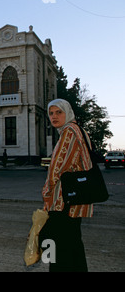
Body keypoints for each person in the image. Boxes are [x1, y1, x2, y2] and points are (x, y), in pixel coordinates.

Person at [40, 98, 93, 272]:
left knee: (60, 250)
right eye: (51, 113)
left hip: (63, 202)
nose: (54, 117)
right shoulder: (80, 131)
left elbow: (57, 168)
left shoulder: (69, 131)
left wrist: (47, 194)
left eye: (59, 112)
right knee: (73, 247)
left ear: (67, 113)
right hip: (75, 200)